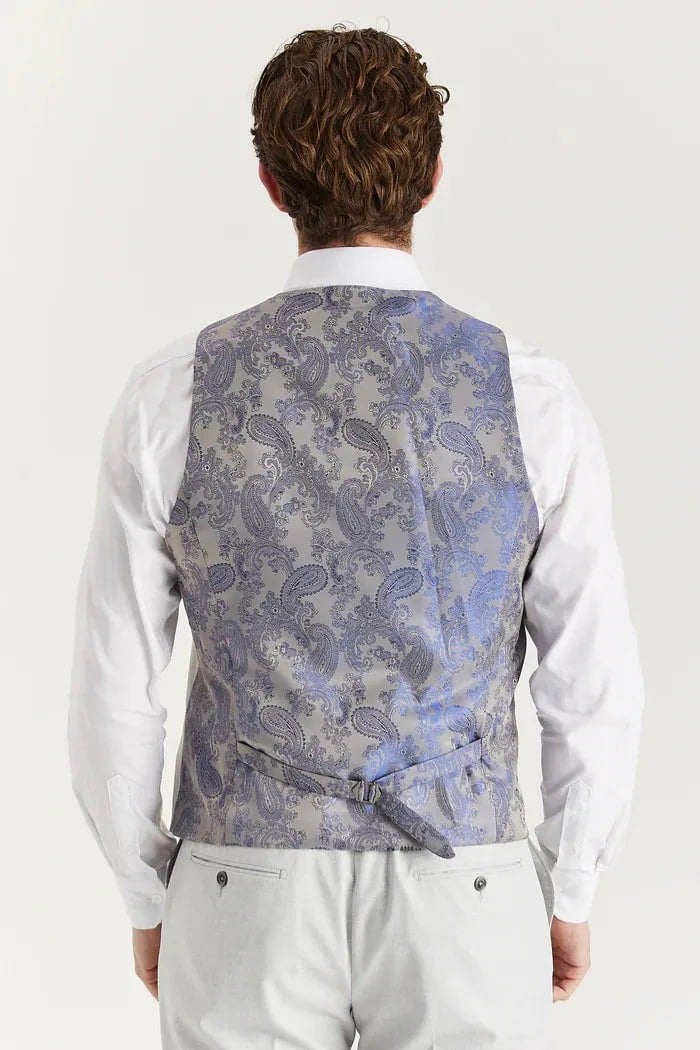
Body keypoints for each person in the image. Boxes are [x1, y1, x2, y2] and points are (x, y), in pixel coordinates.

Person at [67, 24, 645, 1050]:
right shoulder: (531, 395)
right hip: (465, 890)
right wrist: (571, 884)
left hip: (243, 888)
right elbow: (592, 680)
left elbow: (113, 681)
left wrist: (148, 892)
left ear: (269, 183)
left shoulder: (173, 394)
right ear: (431, 178)